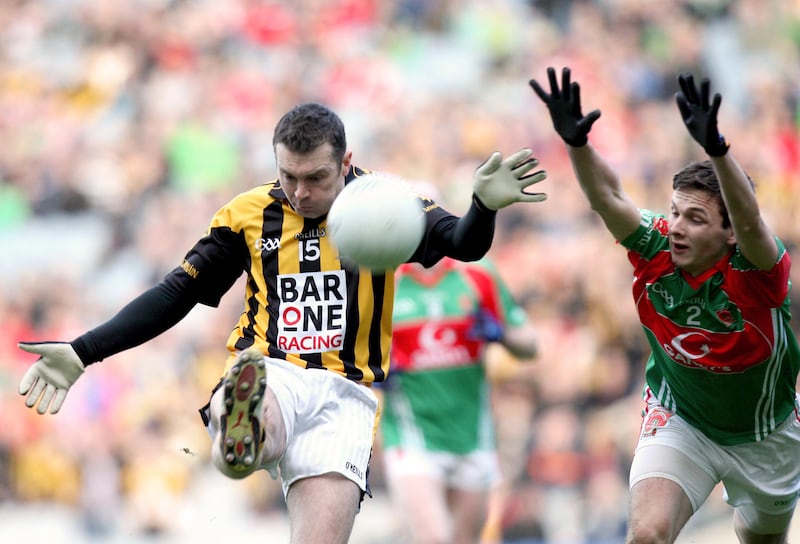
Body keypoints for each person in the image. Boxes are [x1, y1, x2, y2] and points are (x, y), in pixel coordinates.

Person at [16, 102, 548, 544]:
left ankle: (241, 437)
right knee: (256, 414)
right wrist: (85, 351)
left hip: (347, 393)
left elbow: (461, 242)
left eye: (315, 177)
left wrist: (484, 206)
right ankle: (242, 429)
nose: (300, 193)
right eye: (287, 176)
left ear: (346, 162)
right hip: (274, 367)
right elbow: (176, 293)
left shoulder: (386, 206)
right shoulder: (248, 214)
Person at [529, 66, 800, 543]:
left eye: (695, 219)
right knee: (647, 534)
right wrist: (577, 144)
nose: (676, 227)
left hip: (767, 434)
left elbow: (754, 223)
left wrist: (718, 151)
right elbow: (610, 196)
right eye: (675, 211)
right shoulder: (654, 248)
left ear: (728, 231)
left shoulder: (756, 270)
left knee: (761, 539)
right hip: (682, 419)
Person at [379, 253, 538, 544]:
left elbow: (530, 345)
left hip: (472, 437)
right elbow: (352, 352)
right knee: (435, 537)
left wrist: (501, 334)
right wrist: (377, 372)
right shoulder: (385, 279)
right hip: (411, 435)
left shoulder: (478, 274)